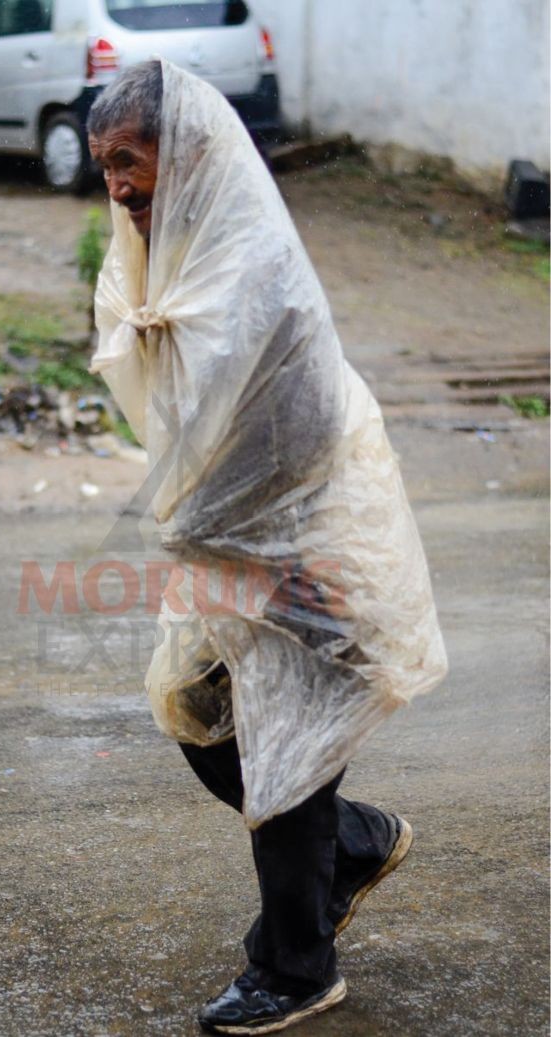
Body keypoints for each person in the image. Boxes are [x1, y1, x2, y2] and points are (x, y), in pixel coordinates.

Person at [87, 60, 448, 1034]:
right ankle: (357, 842)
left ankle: (296, 966)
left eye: (131, 158)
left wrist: (237, 544)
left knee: (283, 739)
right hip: (228, 540)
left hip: (301, 537)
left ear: (189, 149)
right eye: (104, 166)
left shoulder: (252, 265)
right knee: (199, 711)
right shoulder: (174, 246)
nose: (116, 184)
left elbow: (292, 426)